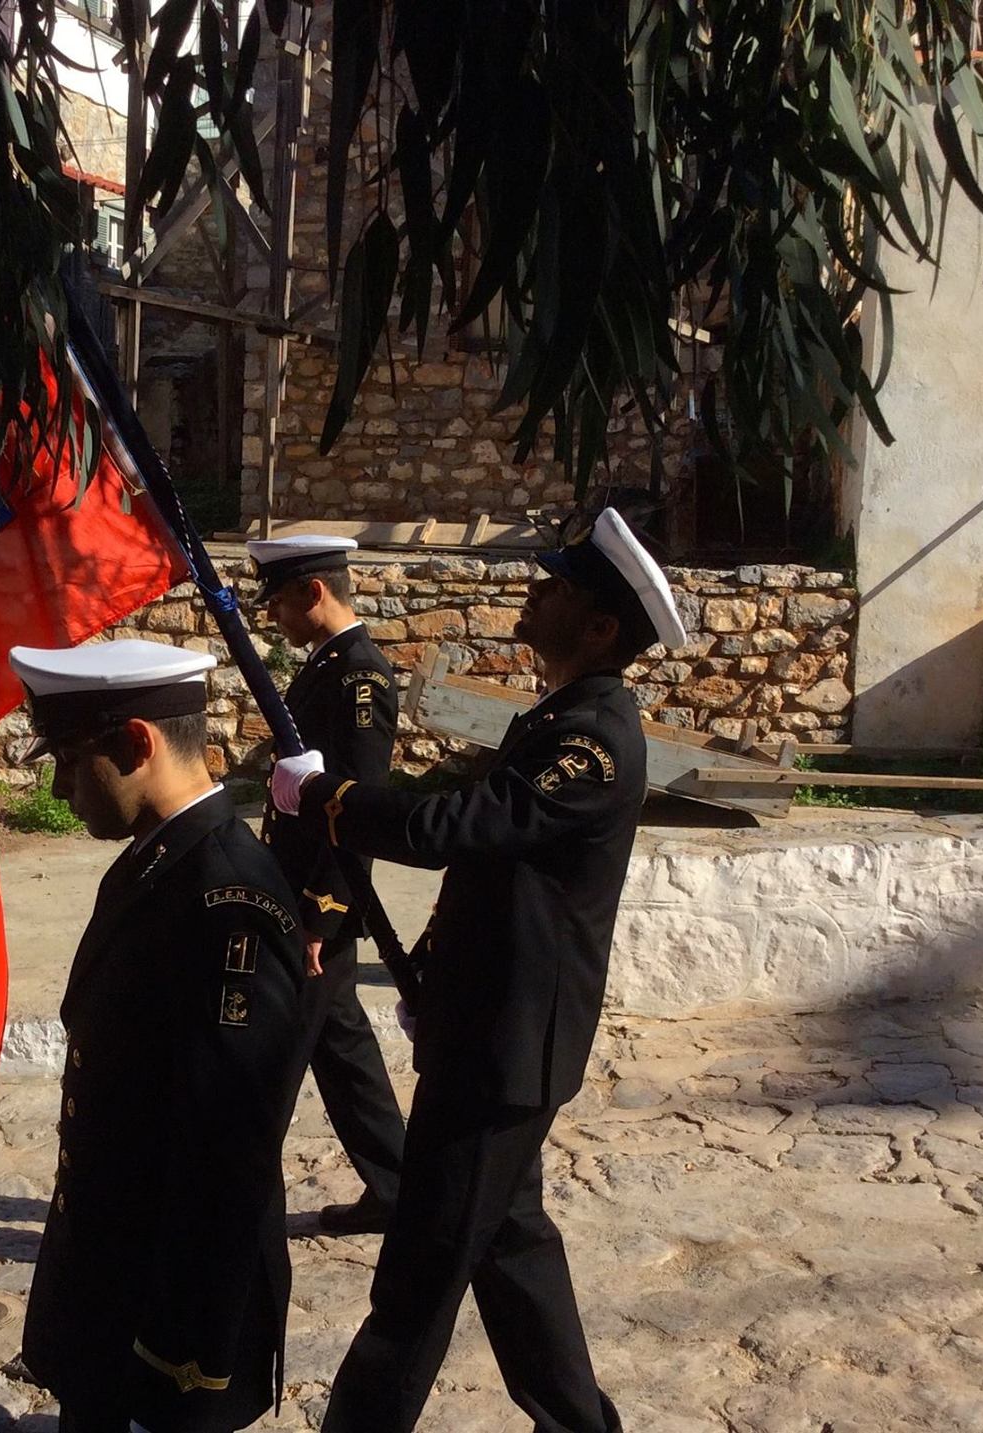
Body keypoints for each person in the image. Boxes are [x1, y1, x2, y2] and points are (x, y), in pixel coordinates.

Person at [269, 508, 689, 1433]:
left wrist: (332, 796)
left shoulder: (598, 737)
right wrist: (431, 965)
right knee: (510, 1242)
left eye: (556, 587)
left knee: (420, 1270)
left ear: (601, 627)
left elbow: (457, 829)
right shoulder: (560, 715)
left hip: (507, 1044)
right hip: (485, 1024)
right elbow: (494, 868)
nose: (532, 594)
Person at [12, 639, 311, 1433]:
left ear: (137, 744)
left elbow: (228, 1155)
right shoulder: (157, 861)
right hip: (113, 1275)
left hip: (166, 1308)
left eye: (72, 760)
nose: (60, 786)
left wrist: (183, 1363)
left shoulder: (228, 897)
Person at [248, 535, 408, 1236]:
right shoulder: (328, 666)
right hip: (296, 886)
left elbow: (359, 807)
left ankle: (234, 1197)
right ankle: (400, 1187)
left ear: (315, 591)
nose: (275, 616)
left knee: (272, 1052)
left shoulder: (359, 678)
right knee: (341, 1050)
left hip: (317, 900)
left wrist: (323, 915)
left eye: (281, 600)